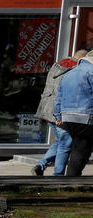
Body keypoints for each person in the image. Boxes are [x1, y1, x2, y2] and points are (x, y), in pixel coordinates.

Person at [32, 48, 87, 176]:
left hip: (45, 109)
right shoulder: (75, 70)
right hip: (59, 112)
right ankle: (58, 175)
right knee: (66, 144)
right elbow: (66, 94)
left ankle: (41, 165)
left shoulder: (57, 65)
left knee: (61, 141)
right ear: (81, 59)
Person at [55, 53, 93, 177]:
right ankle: (71, 179)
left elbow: (59, 97)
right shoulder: (91, 71)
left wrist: (58, 116)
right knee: (81, 150)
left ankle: (71, 177)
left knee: (78, 147)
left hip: (68, 116)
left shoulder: (69, 73)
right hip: (85, 116)